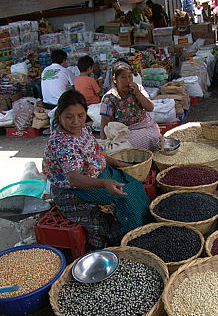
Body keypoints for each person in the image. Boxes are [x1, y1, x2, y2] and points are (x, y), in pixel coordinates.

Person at [42, 90, 151, 249]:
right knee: (124, 200)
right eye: (69, 117)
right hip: (74, 191)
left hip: (100, 175)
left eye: (80, 115)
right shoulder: (62, 144)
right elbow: (74, 178)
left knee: (135, 186)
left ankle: (147, 228)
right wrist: (104, 183)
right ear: (59, 116)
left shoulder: (83, 129)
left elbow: (97, 152)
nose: (75, 122)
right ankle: (132, 241)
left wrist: (119, 163)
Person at [100, 60, 160, 151]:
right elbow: (104, 124)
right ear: (115, 80)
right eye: (123, 77)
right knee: (124, 147)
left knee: (155, 137)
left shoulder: (138, 88)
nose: (128, 81)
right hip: (123, 132)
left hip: (144, 126)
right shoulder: (109, 98)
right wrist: (104, 144)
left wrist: (138, 94)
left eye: (129, 76)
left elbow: (150, 108)